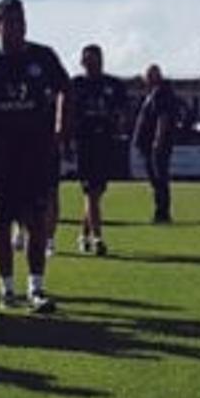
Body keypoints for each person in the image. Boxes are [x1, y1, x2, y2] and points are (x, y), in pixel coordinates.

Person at [0, 0, 67, 314]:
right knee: (0, 224)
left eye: (20, 21)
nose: (16, 28)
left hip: (35, 152)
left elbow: (64, 89)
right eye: (9, 22)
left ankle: (36, 288)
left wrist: (59, 126)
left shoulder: (43, 57)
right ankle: (6, 288)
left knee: (36, 222)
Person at [70, 44, 128, 255]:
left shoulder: (112, 85)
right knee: (90, 191)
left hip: (105, 142)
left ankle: (83, 234)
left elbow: (122, 110)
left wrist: (119, 126)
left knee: (97, 192)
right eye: (88, 60)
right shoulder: (76, 85)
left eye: (96, 59)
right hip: (85, 143)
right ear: (82, 62)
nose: (92, 64)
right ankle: (97, 238)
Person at [133, 64, 180, 223]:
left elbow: (163, 117)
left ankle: (162, 213)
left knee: (159, 178)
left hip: (156, 145)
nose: (145, 79)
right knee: (156, 179)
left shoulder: (162, 93)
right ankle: (160, 210)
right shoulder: (153, 93)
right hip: (149, 144)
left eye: (148, 75)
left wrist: (157, 140)